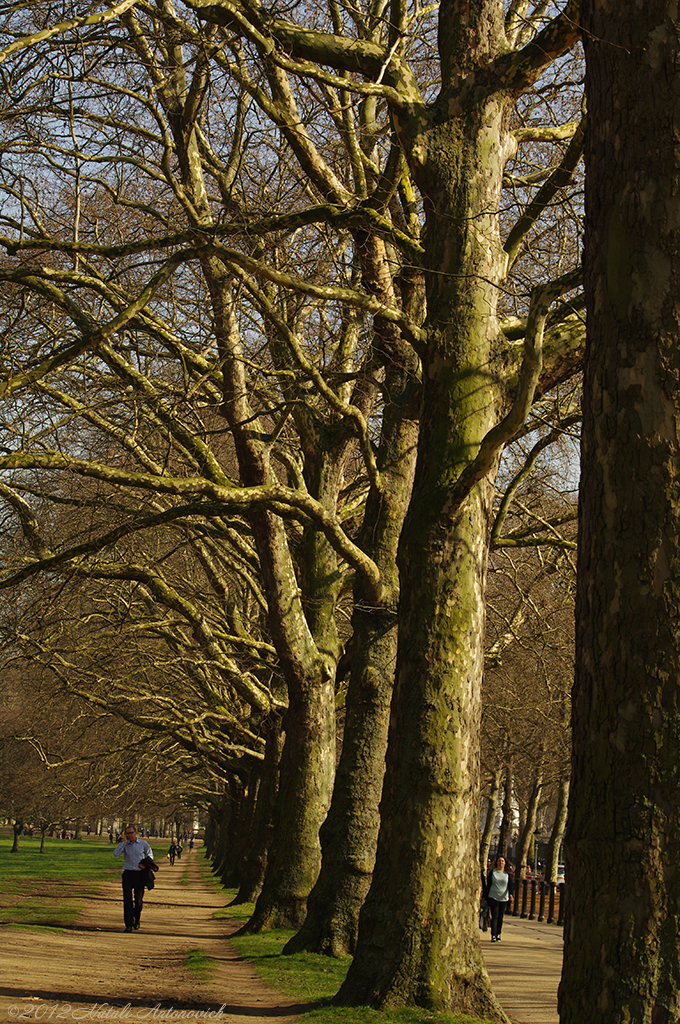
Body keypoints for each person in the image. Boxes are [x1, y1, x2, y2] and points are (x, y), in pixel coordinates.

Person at [113, 824, 154, 932]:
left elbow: (150, 855)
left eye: (131, 833)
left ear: (135, 833)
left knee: (138, 901)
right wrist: (123, 843)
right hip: (128, 873)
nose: (129, 835)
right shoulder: (125, 844)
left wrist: (145, 864)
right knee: (127, 900)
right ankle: (128, 924)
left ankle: (137, 919)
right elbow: (116, 854)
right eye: (127, 833)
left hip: (139, 874)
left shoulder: (143, 844)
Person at [485, 854, 512, 943]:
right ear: (496, 862)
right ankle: (493, 934)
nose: (501, 863)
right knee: (495, 916)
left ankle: (498, 934)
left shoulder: (507, 874)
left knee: (500, 916)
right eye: (499, 861)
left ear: (505, 863)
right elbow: (488, 885)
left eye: (502, 861)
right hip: (493, 896)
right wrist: (485, 896)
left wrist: (511, 895)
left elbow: (510, 886)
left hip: (504, 897)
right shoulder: (493, 873)